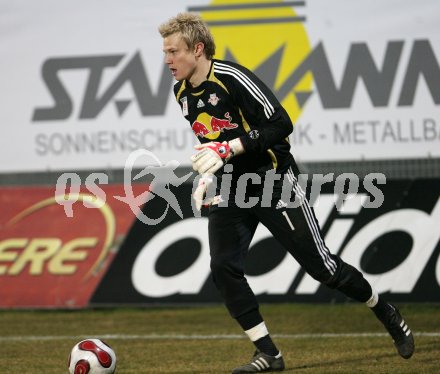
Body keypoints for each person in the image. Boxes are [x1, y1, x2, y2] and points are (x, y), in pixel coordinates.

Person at [158, 12, 414, 373]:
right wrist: (208, 176)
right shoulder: (182, 91)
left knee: (323, 268)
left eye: (173, 51)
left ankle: (385, 310)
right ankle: (268, 353)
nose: (167, 60)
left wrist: (227, 150)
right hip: (234, 187)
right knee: (223, 268)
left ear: (197, 49)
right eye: (165, 52)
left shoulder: (232, 78)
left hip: (273, 179)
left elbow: (281, 123)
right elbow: (212, 143)